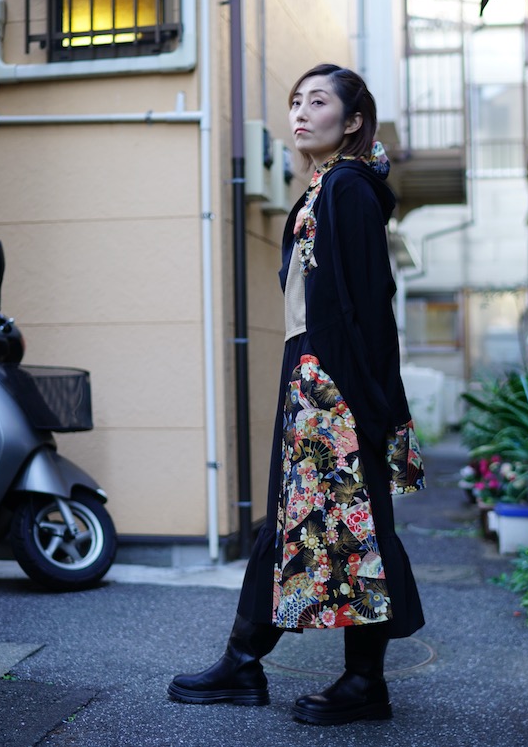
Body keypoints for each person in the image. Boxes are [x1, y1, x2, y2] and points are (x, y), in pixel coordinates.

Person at [168, 64, 426, 726]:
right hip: (313, 373)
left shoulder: (347, 187)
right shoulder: (325, 186)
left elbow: (372, 303)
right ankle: (249, 662)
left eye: (318, 101)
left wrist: (370, 402)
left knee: (355, 524)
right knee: (306, 520)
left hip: (334, 383)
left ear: (354, 119)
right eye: (295, 102)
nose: (301, 113)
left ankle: (357, 679)